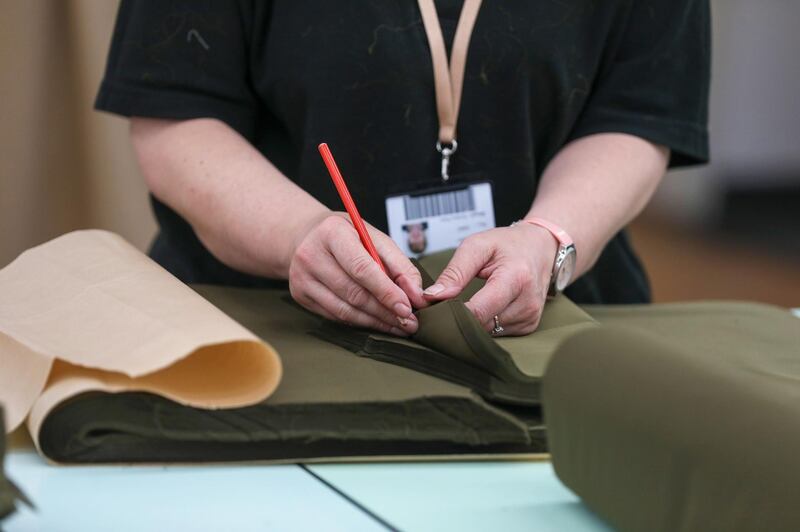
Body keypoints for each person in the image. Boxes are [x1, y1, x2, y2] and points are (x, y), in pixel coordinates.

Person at [96, 0, 710, 337]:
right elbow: (175, 119)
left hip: (552, 333)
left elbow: (636, 118)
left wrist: (548, 239)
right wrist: (295, 236)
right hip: (262, 333)